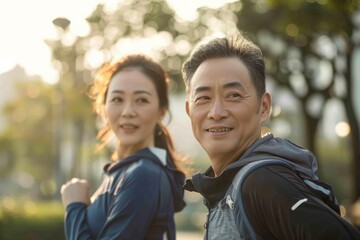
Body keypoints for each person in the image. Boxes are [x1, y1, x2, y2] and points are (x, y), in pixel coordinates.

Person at [182, 34, 360, 239]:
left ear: (264, 107)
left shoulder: (263, 182)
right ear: (189, 110)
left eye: (233, 95)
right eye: (203, 98)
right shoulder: (229, 186)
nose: (216, 112)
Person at [60, 54, 187, 240]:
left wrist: (74, 209)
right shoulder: (124, 172)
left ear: (161, 111)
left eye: (141, 100)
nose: (128, 111)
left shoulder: (143, 174)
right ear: (103, 108)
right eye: (118, 99)